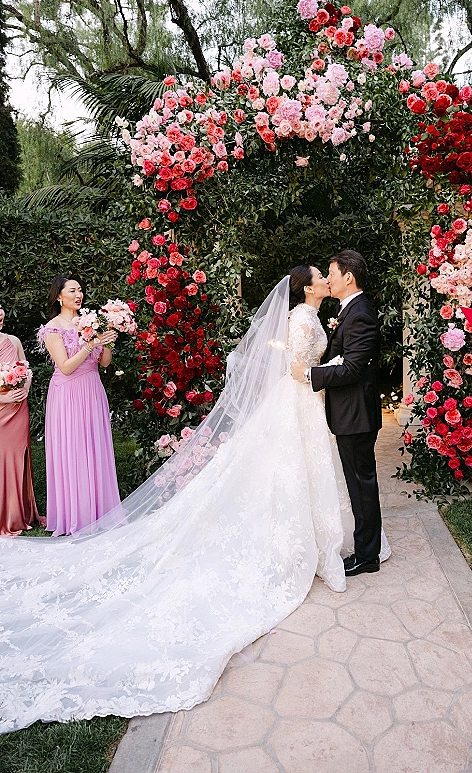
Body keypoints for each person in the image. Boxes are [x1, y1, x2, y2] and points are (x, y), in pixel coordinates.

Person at [0, 267, 390, 733]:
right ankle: (305, 539)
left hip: (309, 401)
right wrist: (309, 372)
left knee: (309, 473)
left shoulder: (320, 315)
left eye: (331, 274)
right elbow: (294, 364)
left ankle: (321, 534)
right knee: (294, 473)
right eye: (322, 277)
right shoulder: (303, 320)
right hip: (301, 398)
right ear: (308, 287)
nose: (328, 279)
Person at [291, 250, 383, 577]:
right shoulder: (349, 310)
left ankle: (367, 555)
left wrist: (309, 375)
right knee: (359, 484)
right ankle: (366, 548)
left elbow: (354, 367)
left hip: (356, 413)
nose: (328, 280)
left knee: (362, 484)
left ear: (348, 277)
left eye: (332, 273)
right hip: (350, 411)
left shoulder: (360, 313)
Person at [38, 275, 122, 535]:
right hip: (68, 394)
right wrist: (90, 344)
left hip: (92, 390)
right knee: (73, 449)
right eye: (72, 290)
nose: (79, 294)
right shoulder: (53, 328)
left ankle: (100, 512)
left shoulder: (90, 322)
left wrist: (106, 341)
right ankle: (75, 515)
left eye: (81, 290)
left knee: (95, 447)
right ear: (59, 296)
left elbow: (104, 363)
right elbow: (64, 367)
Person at [0, 304, 44, 535]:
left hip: (17, 409)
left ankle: (18, 513)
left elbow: (26, 370)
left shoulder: (13, 341)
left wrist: (24, 389)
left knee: (16, 458)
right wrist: (4, 396)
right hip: (1, 406)